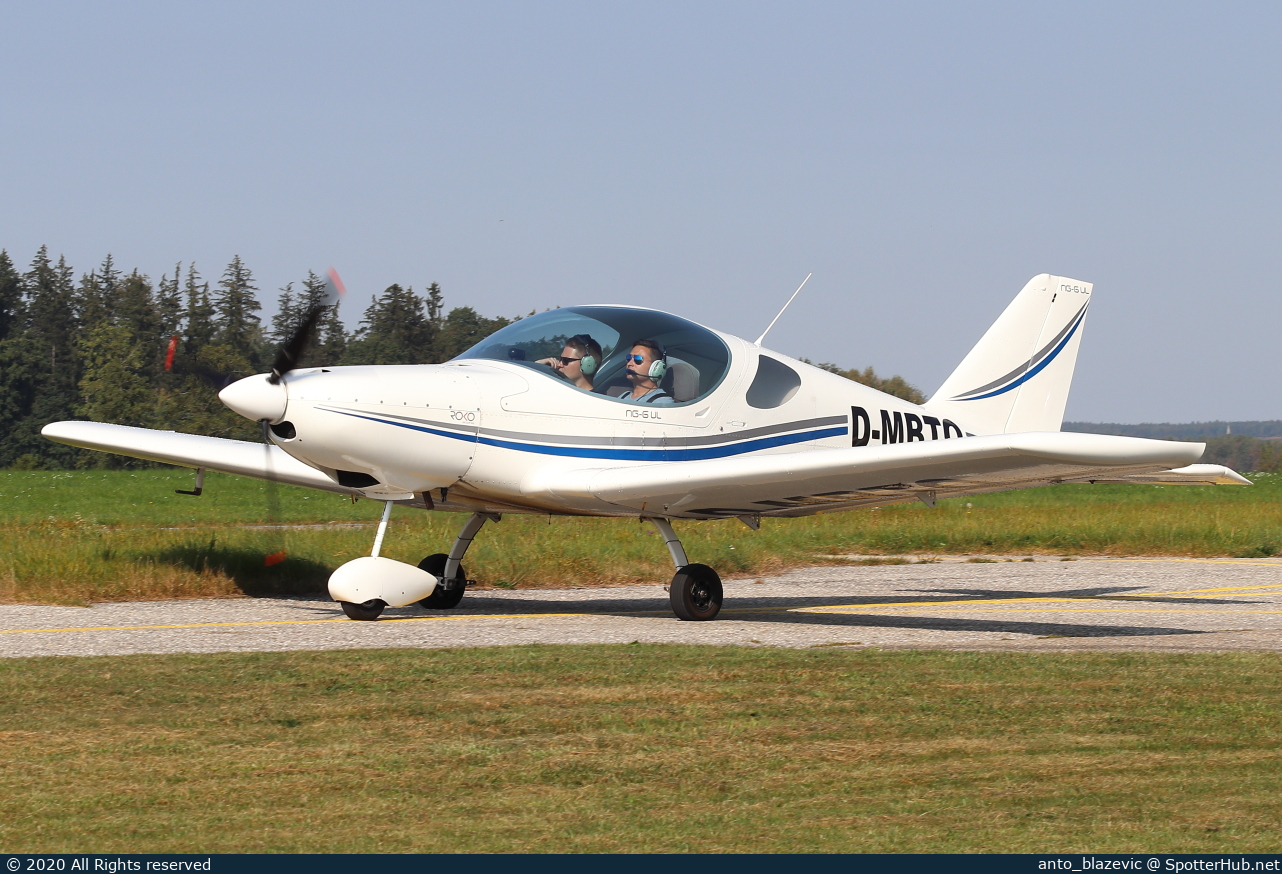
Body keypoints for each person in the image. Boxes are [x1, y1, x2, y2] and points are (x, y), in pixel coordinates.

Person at [537, 334, 602, 391]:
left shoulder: (595, 403)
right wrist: (538, 366)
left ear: (587, 365)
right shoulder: (556, 392)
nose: (559, 364)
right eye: (560, 359)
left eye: (565, 360)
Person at [620, 339, 674, 405]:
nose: (629, 363)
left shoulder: (661, 402)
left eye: (638, 359)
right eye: (628, 358)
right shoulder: (624, 396)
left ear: (656, 367)